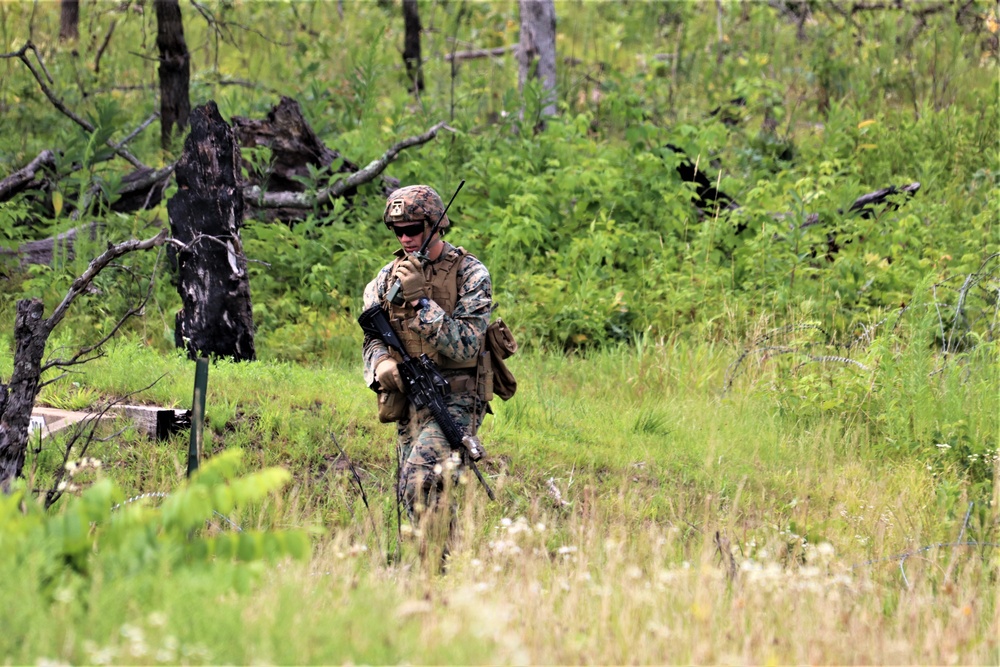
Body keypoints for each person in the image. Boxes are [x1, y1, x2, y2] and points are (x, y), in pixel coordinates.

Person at [361, 184, 493, 541]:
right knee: (418, 497)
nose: (405, 237)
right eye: (397, 230)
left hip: (457, 397)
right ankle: (434, 573)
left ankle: (438, 568)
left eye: (413, 228)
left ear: (435, 223)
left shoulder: (470, 274)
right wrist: (380, 365)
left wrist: (421, 301)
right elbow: (372, 335)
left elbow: (467, 346)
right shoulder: (386, 278)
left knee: (418, 478)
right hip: (409, 398)